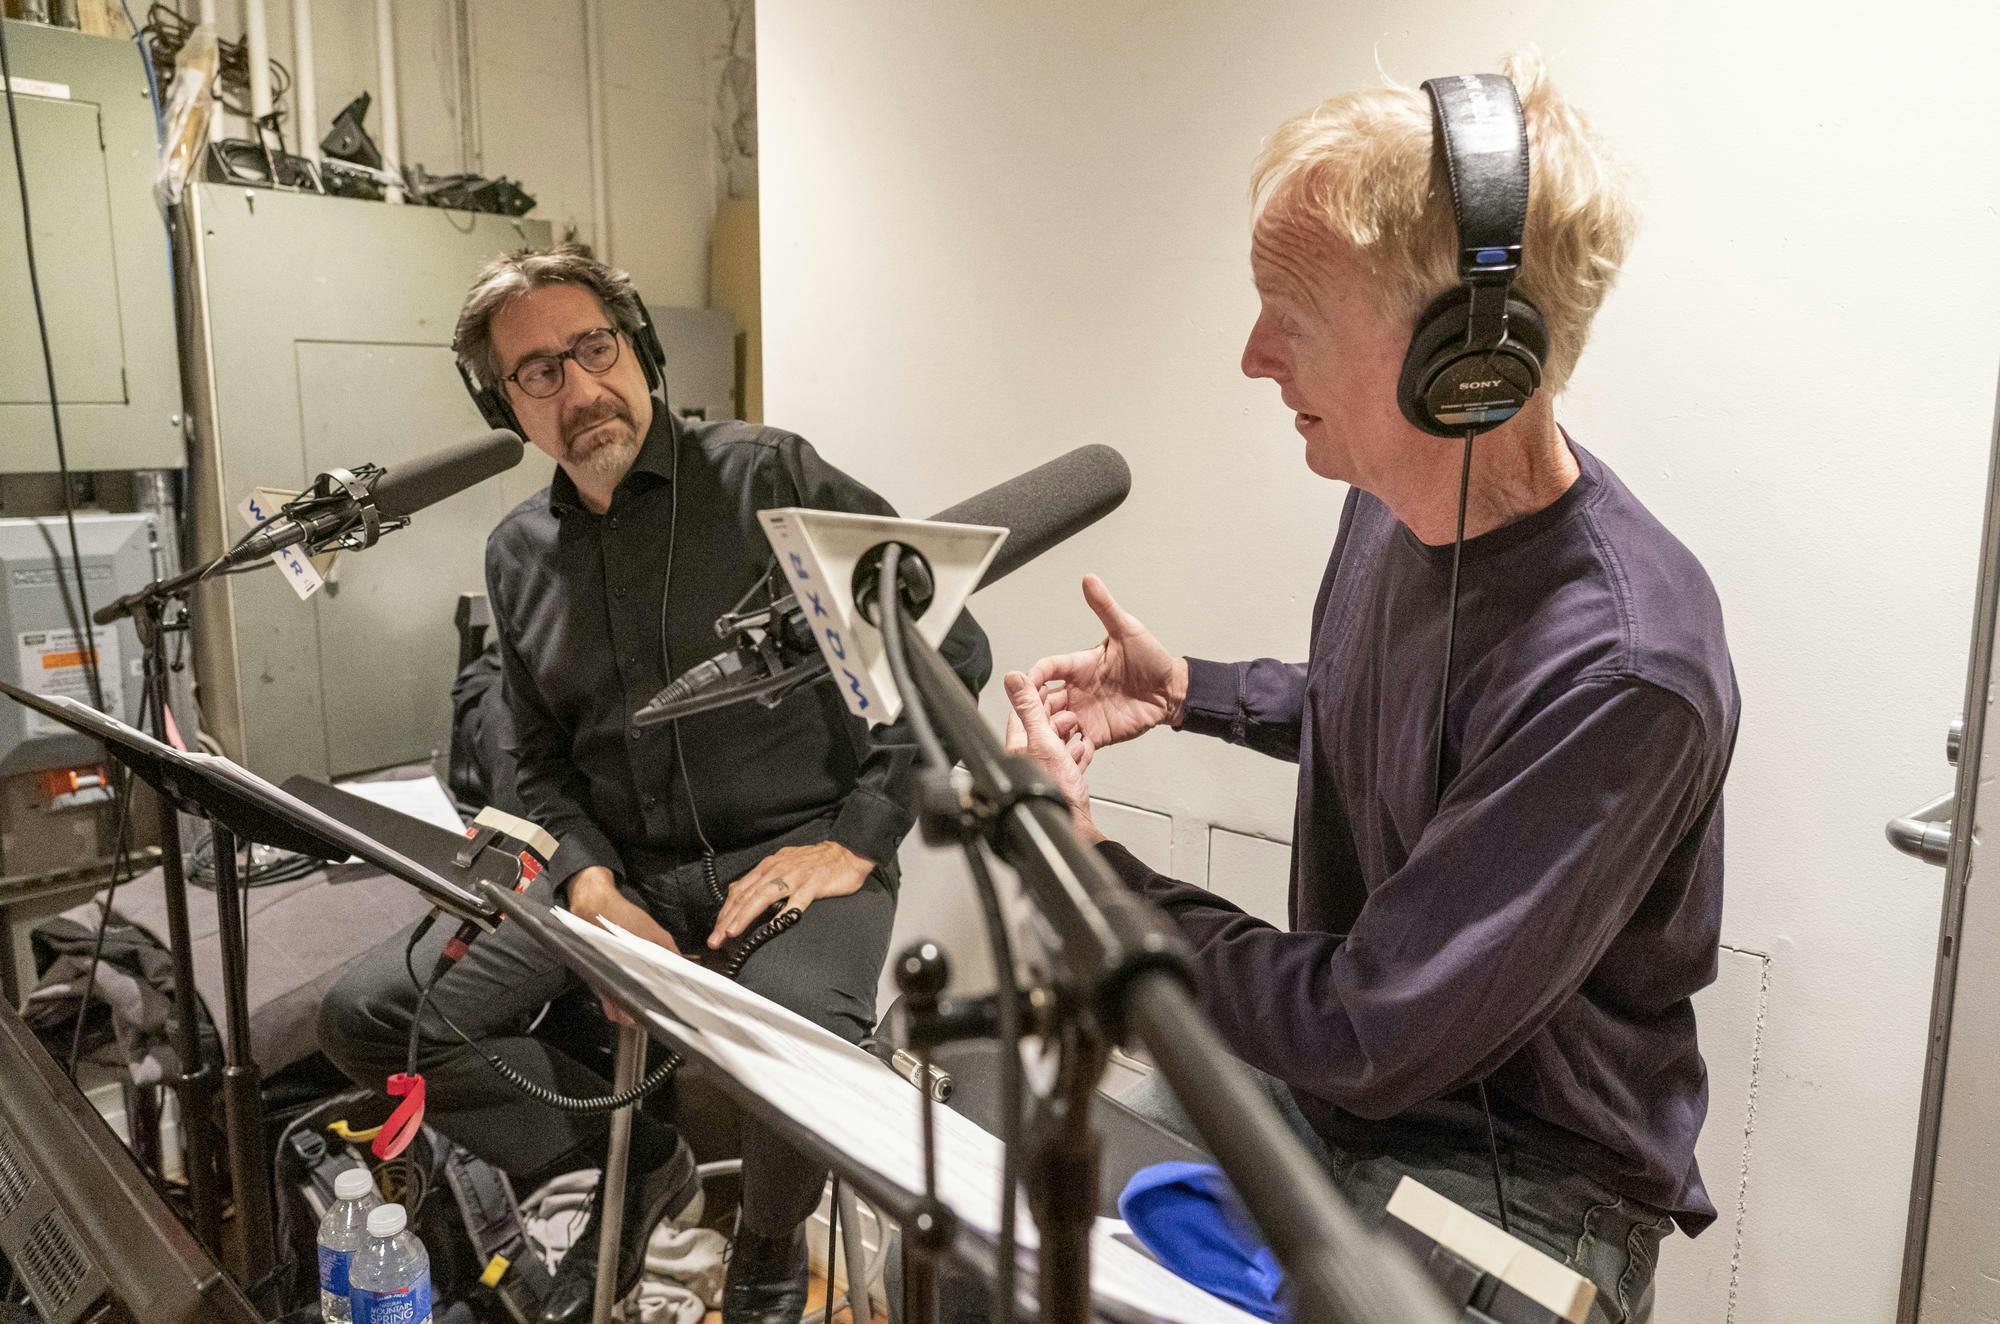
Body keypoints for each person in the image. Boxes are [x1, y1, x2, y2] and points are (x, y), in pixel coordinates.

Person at [1002, 52, 1736, 1323]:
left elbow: (1364, 1027)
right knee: (1006, 1219)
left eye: (1290, 315)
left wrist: (1090, 875)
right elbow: (1402, 716)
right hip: (1353, 1099)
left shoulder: (1625, 668)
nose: (1251, 357)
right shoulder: (1396, 502)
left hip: (1519, 1186)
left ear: (1462, 360)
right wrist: (1194, 691)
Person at [319, 244, 991, 1324]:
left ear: (637, 346)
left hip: (793, 858)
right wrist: (587, 879)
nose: (581, 388)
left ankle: (767, 1237)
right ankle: (631, 1162)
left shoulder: (770, 477)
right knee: (375, 1017)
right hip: (617, 876)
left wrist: (859, 837)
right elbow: (535, 759)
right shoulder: (516, 553)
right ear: (504, 405)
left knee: (803, 1042)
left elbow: (950, 651)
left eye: (595, 348)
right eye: (540, 372)